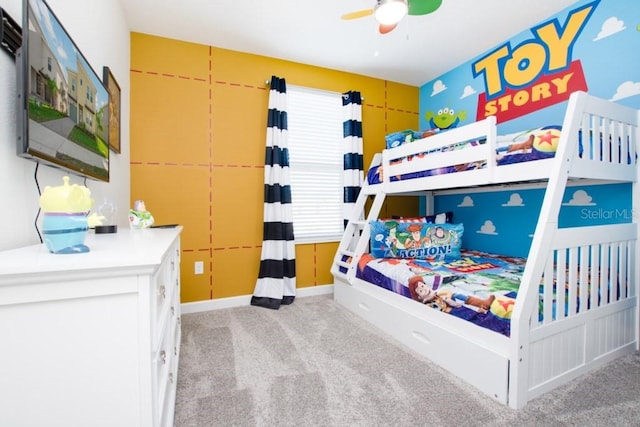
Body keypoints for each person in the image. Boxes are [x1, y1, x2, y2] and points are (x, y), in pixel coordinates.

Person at [407, 275, 495, 313]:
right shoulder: (428, 303)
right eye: (421, 291)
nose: (425, 290)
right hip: (451, 311)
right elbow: (438, 308)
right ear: (419, 296)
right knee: (461, 307)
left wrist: (448, 297)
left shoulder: (436, 294)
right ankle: (477, 311)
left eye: (423, 286)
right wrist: (446, 301)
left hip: (451, 304)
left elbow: (447, 293)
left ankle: (483, 304)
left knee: (458, 296)